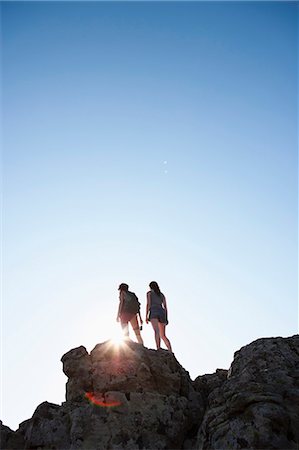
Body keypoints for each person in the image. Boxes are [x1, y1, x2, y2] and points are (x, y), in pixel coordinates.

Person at [146, 281, 172, 352]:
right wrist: (166, 318)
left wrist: (146, 315)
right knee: (163, 335)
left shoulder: (149, 293)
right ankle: (170, 350)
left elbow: (148, 304)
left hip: (154, 311)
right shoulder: (162, 295)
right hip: (162, 312)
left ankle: (158, 348)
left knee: (156, 331)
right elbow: (165, 307)